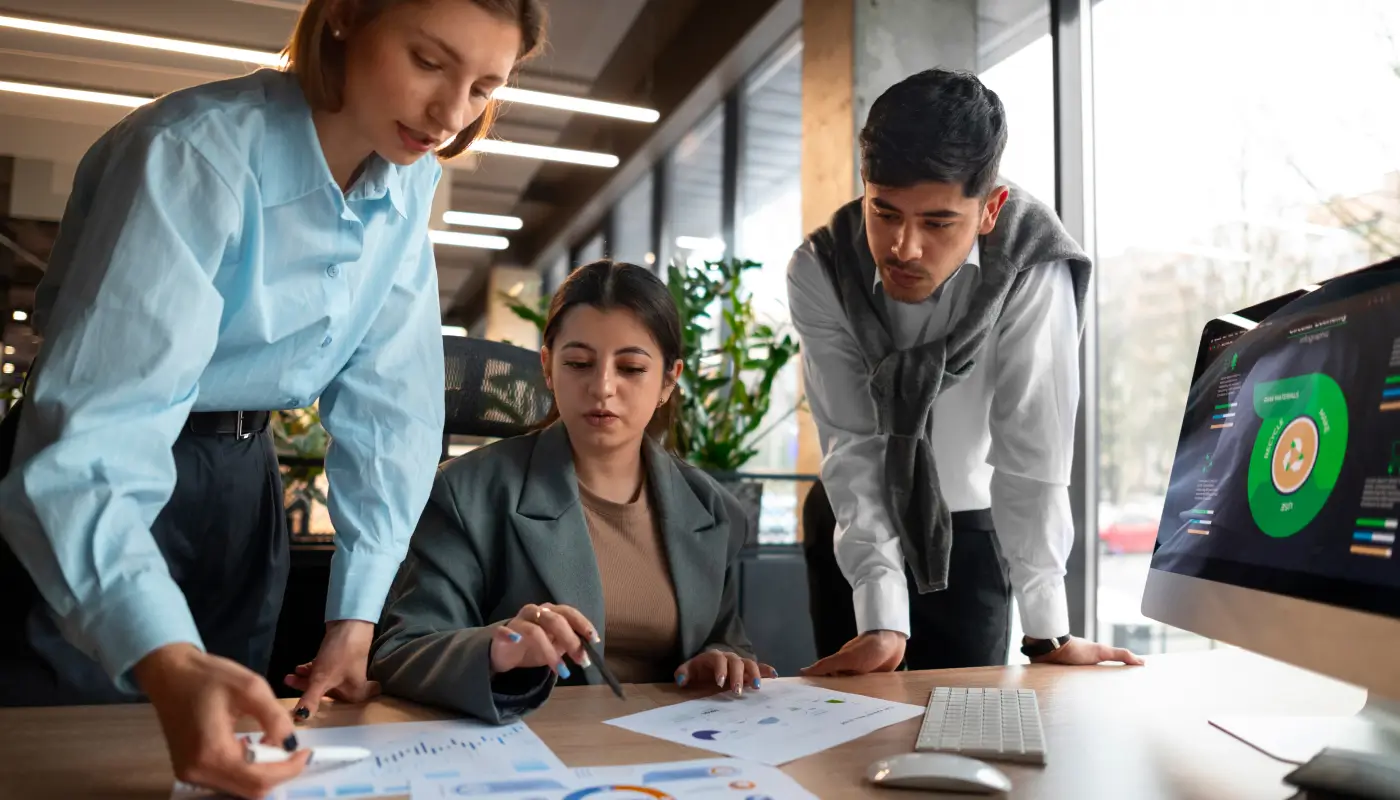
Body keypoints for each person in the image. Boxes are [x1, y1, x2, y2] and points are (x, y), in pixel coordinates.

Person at [0, 0, 544, 796]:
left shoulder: (408, 181)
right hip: (108, 478)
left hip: (244, 481)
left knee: (228, 757)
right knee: (73, 757)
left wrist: (354, 618)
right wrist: (162, 656)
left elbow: (391, 408)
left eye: (483, 88)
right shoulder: (193, 152)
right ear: (346, 17)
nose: (450, 114)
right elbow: (93, 444)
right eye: (429, 63)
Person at [789, 68, 1144, 676]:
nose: (903, 247)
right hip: (850, 516)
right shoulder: (820, 268)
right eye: (884, 212)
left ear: (989, 210)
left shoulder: (1032, 264)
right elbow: (853, 441)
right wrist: (880, 613)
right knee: (851, 717)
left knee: (966, 716)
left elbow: (1032, 450)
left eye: (937, 223)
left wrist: (1048, 632)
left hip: (972, 530)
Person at [371, 260, 773, 723]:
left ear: (668, 379)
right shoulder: (467, 492)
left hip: (682, 745)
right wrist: (496, 649)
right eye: (578, 364)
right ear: (547, 366)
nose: (602, 387)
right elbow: (402, 650)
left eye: (631, 368)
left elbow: (726, 637)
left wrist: (720, 658)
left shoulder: (709, 506)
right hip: (534, 745)